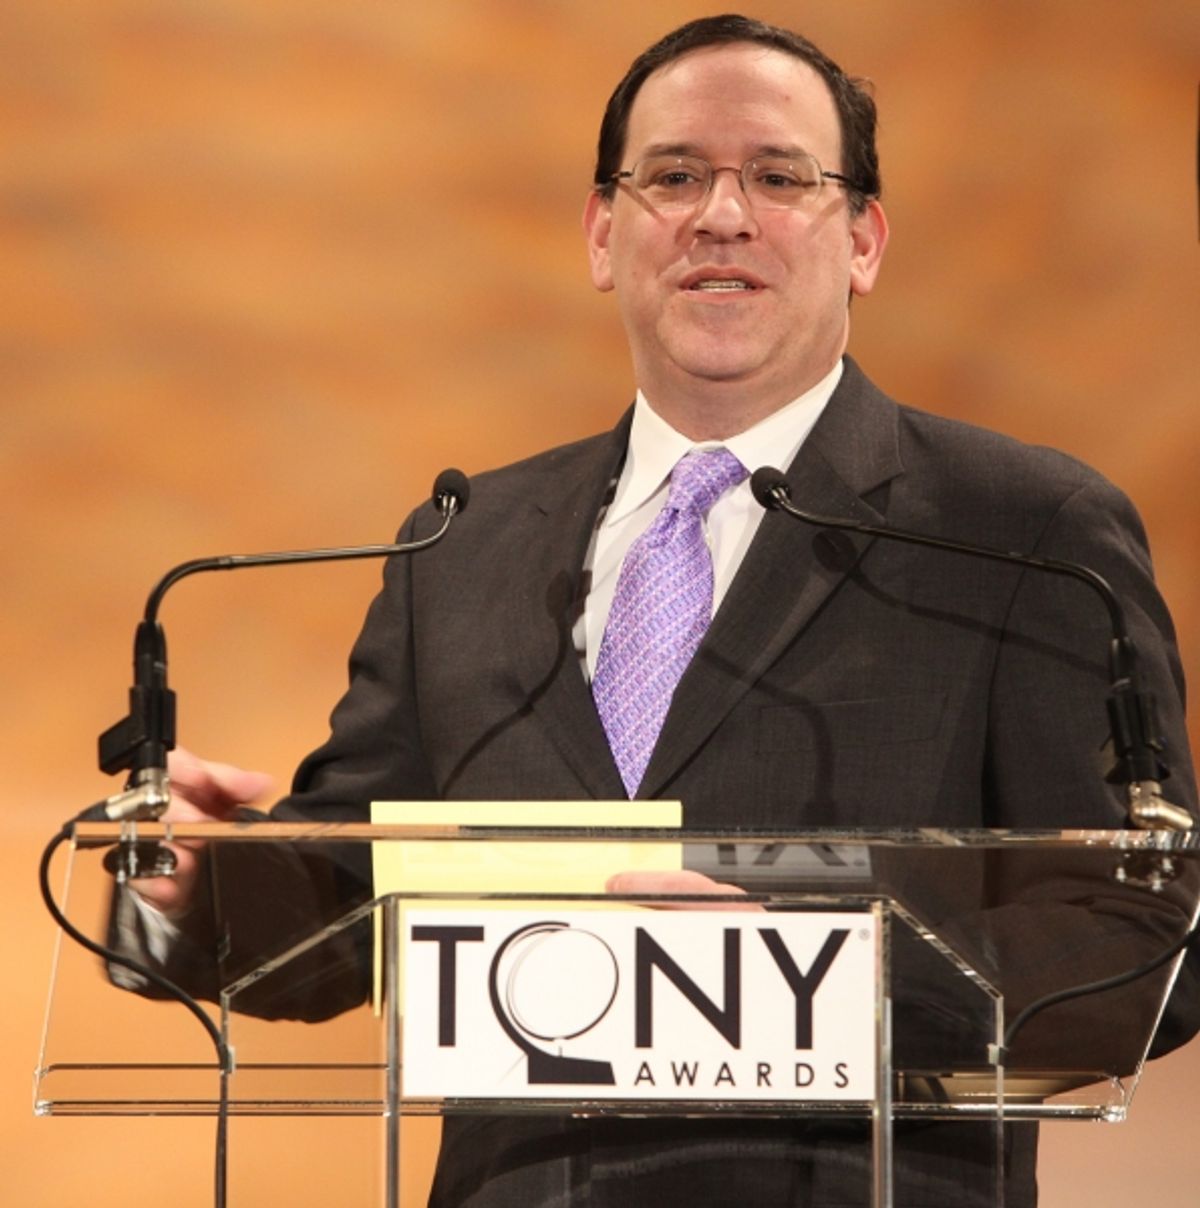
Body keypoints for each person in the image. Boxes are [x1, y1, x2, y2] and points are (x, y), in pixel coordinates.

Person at [123, 14, 1198, 1206]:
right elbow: (355, 896)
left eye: (780, 177)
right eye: (675, 176)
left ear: (863, 241)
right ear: (603, 233)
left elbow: (1141, 925)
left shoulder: (1022, 530)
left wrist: (812, 973)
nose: (721, 215)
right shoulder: (460, 543)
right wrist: (197, 882)